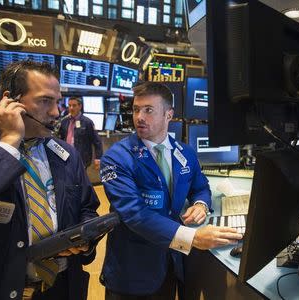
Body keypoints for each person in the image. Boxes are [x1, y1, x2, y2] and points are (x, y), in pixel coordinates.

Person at [100, 82, 243, 299]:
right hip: (132, 271)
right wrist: (193, 237)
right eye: (136, 109)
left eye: (148, 110)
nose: (139, 117)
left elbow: (201, 186)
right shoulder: (117, 157)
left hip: (171, 264)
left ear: (169, 115)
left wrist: (201, 204)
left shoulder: (184, 152)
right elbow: (135, 214)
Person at [0, 61, 100, 300]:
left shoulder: (65, 154)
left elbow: (87, 208)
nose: (56, 112)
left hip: (61, 288)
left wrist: (86, 238)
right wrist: (10, 140)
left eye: (58, 101)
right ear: (10, 101)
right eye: (45, 101)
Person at [58, 96, 103, 170]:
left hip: (81, 159)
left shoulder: (87, 122)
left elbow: (97, 141)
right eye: (69, 105)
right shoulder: (64, 121)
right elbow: (60, 139)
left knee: (79, 180)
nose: (71, 108)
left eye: (74, 105)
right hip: (66, 157)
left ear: (80, 106)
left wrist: (98, 158)